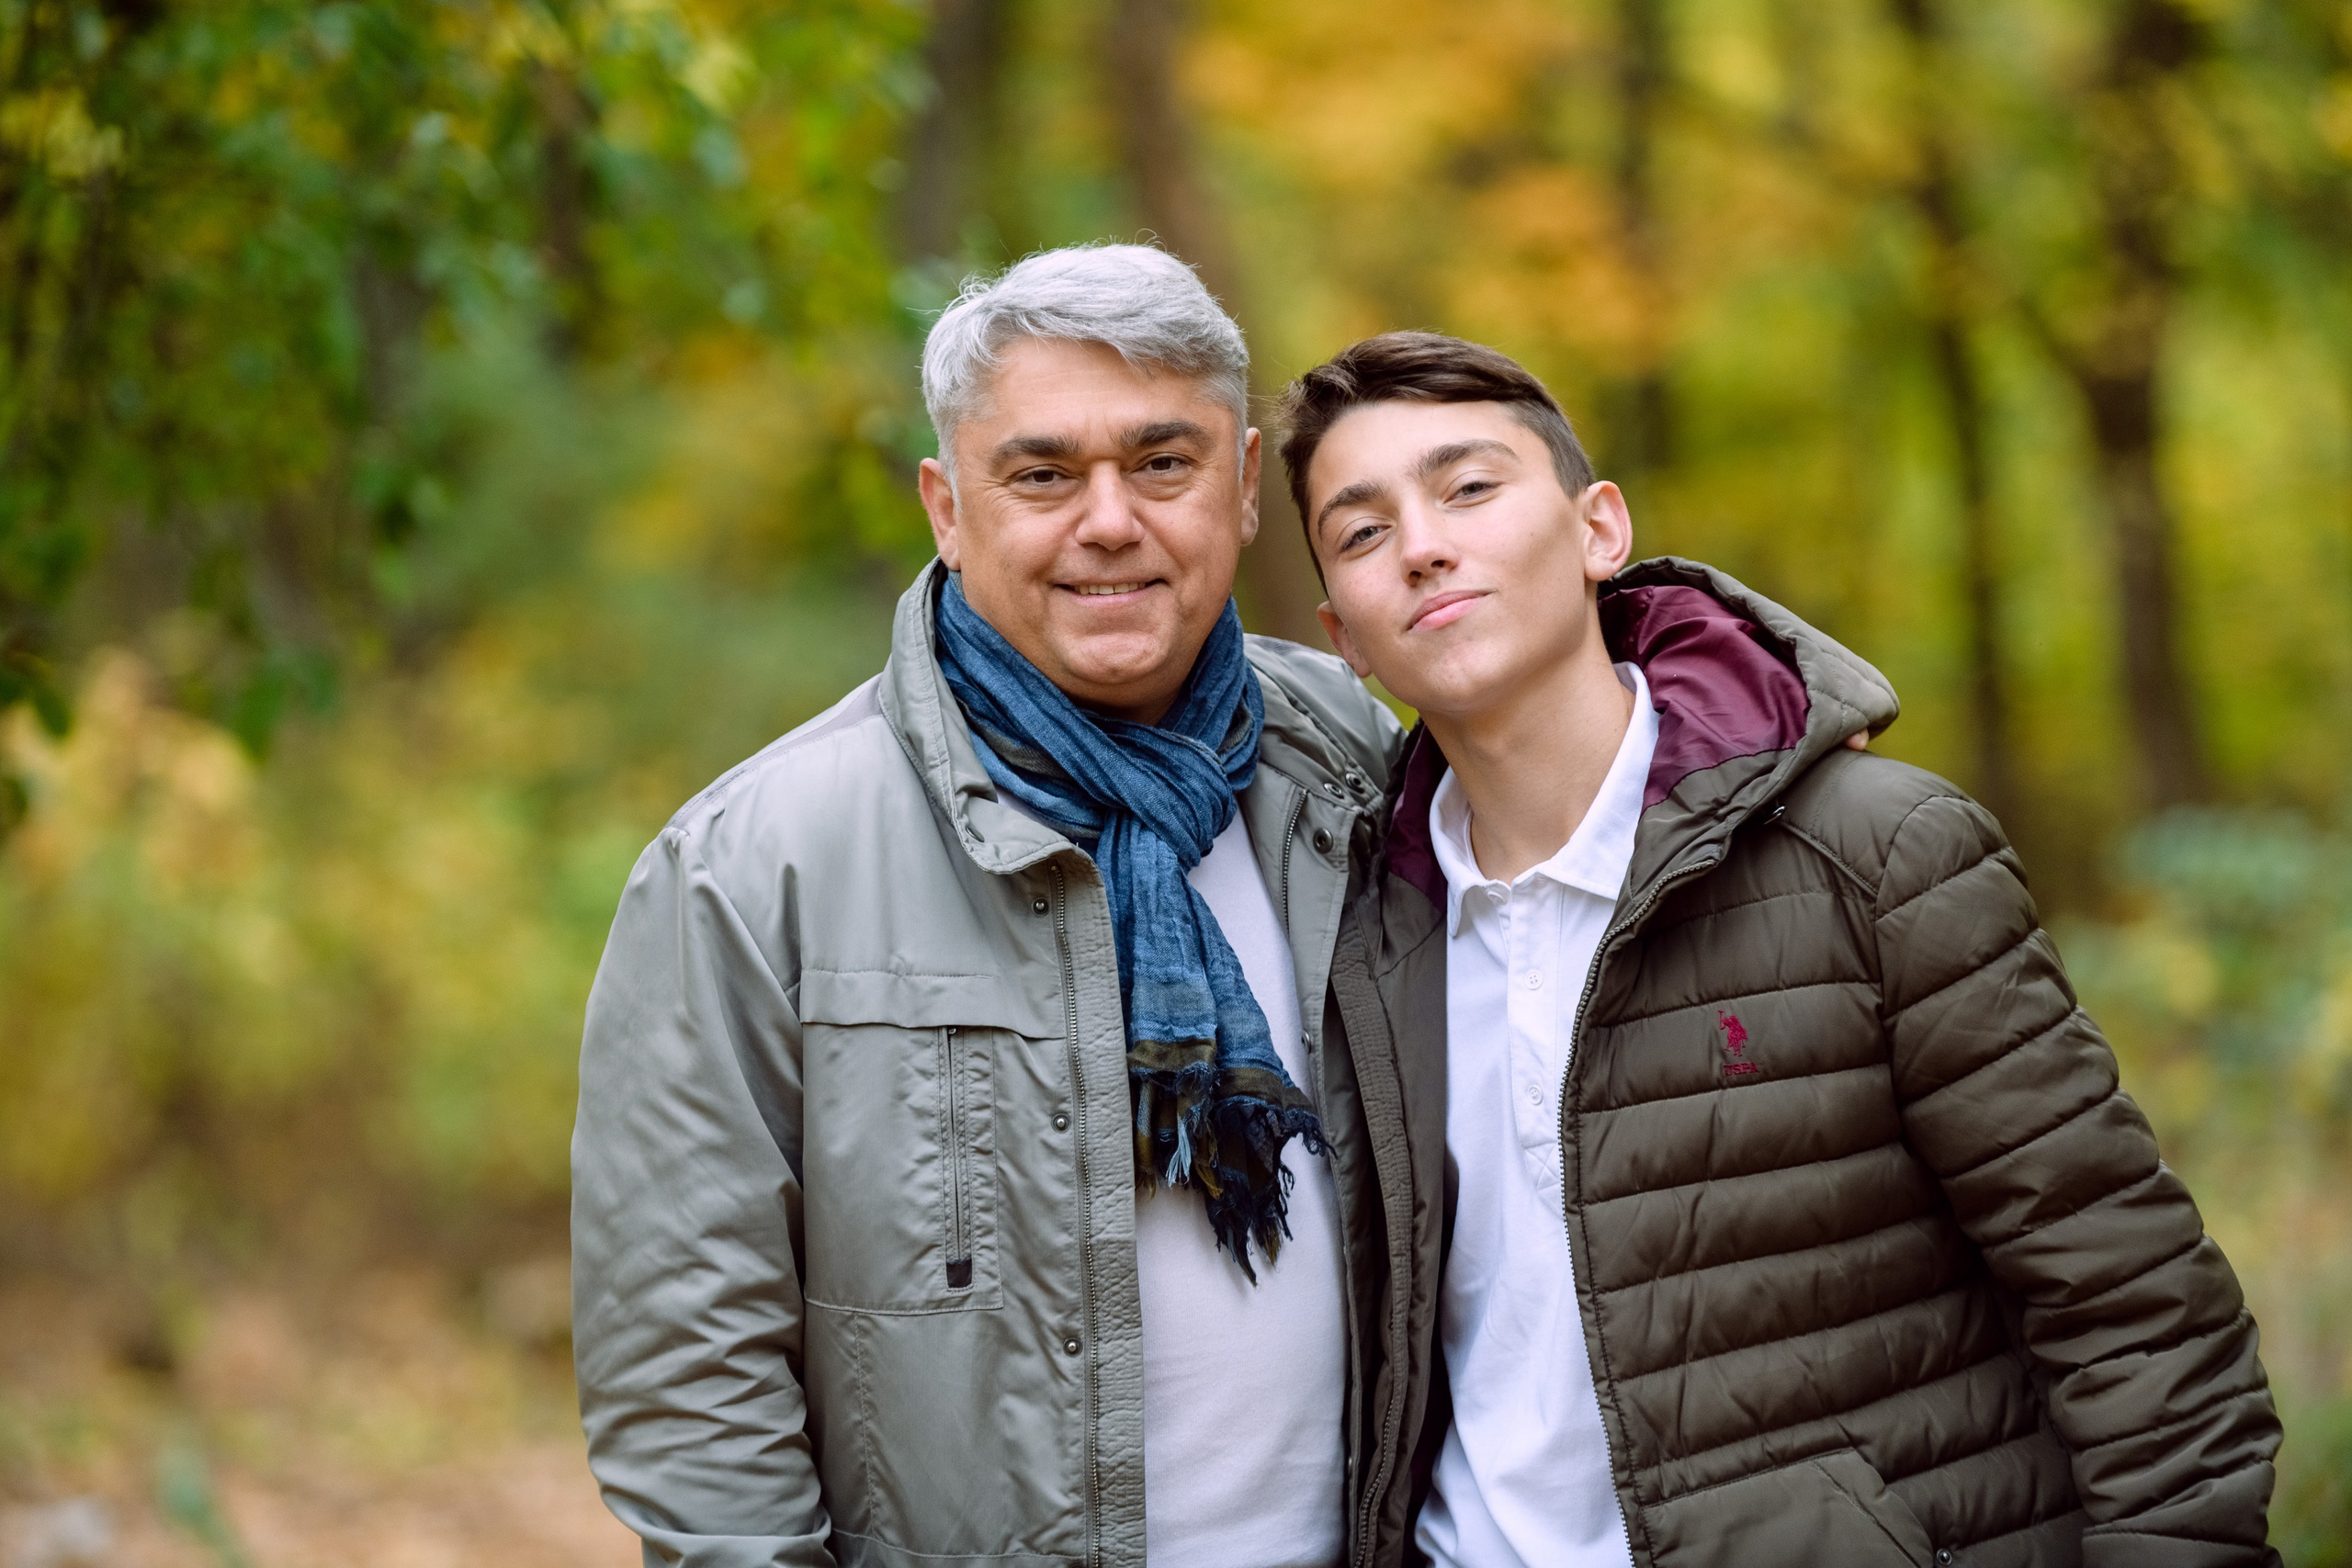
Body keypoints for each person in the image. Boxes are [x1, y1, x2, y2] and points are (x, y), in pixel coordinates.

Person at [1283, 331, 2283, 1567]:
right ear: (1346, 636)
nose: (1423, 545)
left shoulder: (1876, 853)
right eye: (1362, 531)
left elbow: (2136, 1314)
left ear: (1600, 530)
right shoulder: (1357, 938)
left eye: (1470, 488)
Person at [569, 246, 1445, 1568]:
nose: (1109, 521)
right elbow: (687, 1372)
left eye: (1164, 464)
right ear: (946, 504)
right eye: (1041, 474)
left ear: (1246, 484)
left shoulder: (1353, 764)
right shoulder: (754, 866)